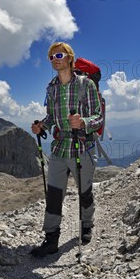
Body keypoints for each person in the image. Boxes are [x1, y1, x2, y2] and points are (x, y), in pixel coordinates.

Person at [30, 41, 103, 258]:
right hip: (60, 149)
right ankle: (51, 239)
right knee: (53, 195)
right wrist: (42, 125)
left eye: (59, 55)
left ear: (69, 57)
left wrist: (83, 123)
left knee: (85, 191)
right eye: (51, 57)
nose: (55, 59)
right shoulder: (51, 88)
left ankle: (87, 224)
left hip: (83, 147)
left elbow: (98, 117)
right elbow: (53, 116)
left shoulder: (85, 84)